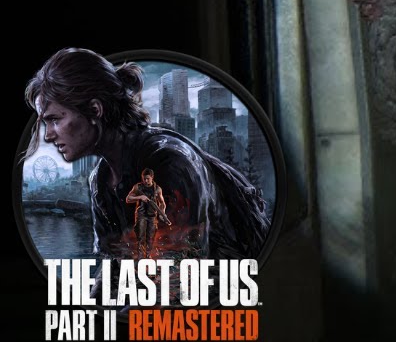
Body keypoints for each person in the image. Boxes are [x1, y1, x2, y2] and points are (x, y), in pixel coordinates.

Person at [24, 48, 270, 260]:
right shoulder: (101, 180)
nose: (49, 135)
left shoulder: (170, 162)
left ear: (95, 110)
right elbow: (112, 268)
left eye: (55, 120)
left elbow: (182, 277)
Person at [124, 168, 171, 259]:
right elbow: (128, 198)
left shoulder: (157, 189)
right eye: (144, 178)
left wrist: (162, 213)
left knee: (150, 238)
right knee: (141, 237)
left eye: (148, 179)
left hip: (152, 216)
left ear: (152, 177)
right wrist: (140, 197)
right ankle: (141, 258)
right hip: (141, 215)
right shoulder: (138, 187)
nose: (145, 181)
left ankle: (148, 256)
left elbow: (162, 203)